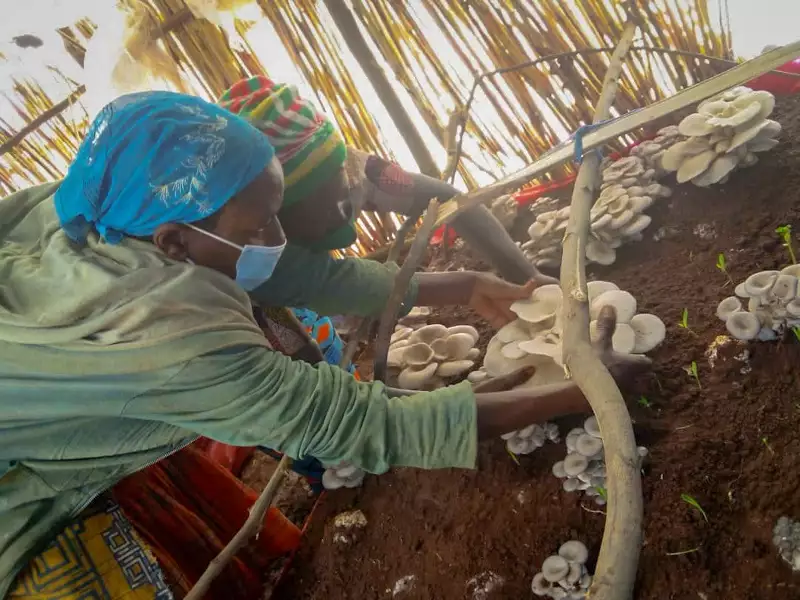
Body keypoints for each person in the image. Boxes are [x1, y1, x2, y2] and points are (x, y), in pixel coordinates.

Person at [0, 91, 648, 598]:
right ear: (172, 242)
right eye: (261, 225)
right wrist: (573, 390)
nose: (279, 237)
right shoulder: (164, 335)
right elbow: (355, 422)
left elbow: (302, 273)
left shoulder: (102, 203)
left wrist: (466, 282)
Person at [217, 75, 547, 284]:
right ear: (270, 212)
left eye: (342, 190)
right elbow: (326, 286)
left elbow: (449, 200)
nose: (342, 212)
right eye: (320, 206)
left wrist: (526, 276)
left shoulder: (360, 170)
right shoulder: (244, 253)